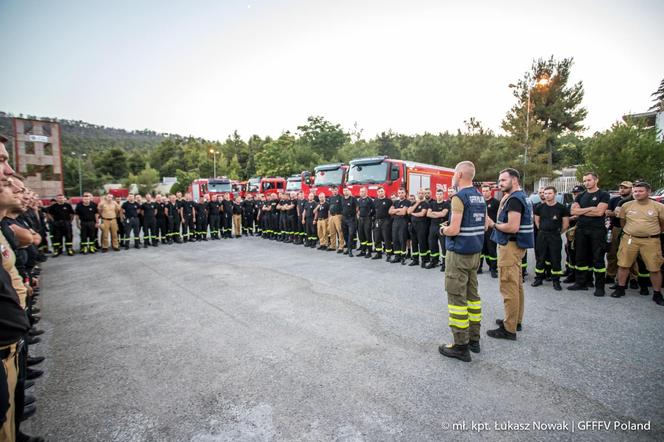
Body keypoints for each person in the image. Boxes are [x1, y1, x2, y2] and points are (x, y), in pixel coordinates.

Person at [438, 161, 485, 362]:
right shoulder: (479, 196)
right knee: (473, 297)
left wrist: (443, 229)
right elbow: (483, 226)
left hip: (459, 254)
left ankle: (460, 345)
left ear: (459, 174)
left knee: (457, 299)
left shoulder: (459, 197)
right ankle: (474, 340)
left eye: (453, 174)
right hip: (475, 252)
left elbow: (454, 229)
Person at [487, 168, 534, 340]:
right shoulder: (521, 197)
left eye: (503, 180)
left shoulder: (514, 199)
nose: (500, 183)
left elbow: (512, 227)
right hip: (517, 246)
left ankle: (509, 329)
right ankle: (515, 321)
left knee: (508, 287)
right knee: (517, 286)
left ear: (515, 180)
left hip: (510, 246)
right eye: (499, 180)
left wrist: (493, 224)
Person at [611, 182, 664, 304]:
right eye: (635, 191)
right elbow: (623, 222)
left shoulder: (659, 206)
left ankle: (657, 293)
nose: (637, 193)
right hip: (630, 239)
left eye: (640, 191)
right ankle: (620, 288)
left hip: (651, 240)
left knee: (654, 268)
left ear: (648, 192)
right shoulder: (626, 205)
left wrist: (651, 232)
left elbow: (662, 223)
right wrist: (632, 232)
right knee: (623, 265)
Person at [568, 172, 610, 296]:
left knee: (598, 258)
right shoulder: (580, 196)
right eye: (584, 181)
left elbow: (599, 212)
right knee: (580, 257)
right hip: (581, 229)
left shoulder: (603, 194)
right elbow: (573, 211)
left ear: (596, 180)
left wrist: (582, 211)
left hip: (597, 230)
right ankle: (580, 282)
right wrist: (591, 208)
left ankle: (599, 286)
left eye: (589, 180)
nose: (586, 183)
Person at [532, 186, 570, 290]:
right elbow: (537, 222)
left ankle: (556, 281)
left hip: (555, 236)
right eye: (545, 193)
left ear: (555, 194)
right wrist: (543, 230)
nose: (547, 195)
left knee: (555, 258)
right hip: (542, 235)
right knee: (540, 257)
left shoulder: (562, 208)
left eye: (549, 193)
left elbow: (566, 224)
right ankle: (538, 278)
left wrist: (557, 233)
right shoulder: (539, 207)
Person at [605, 182, 633, 285]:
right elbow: (608, 212)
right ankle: (610, 275)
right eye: (620, 187)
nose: (622, 189)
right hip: (615, 228)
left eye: (625, 188)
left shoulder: (634, 200)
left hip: (630, 229)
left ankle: (633, 278)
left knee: (630, 255)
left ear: (631, 189)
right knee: (611, 253)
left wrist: (618, 213)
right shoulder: (614, 200)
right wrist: (618, 214)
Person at [562, 185, 584, 282]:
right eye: (574, 193)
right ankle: (570, 272)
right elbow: (566, 218)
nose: (576, 195)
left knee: (581, 254)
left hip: (583, 232)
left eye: (578, 193)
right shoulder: (570, 205)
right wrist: (572, 218)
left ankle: (582, 277)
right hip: (571, 232)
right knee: (569, 251)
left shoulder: (585, 204)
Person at [426, 187, 450, 271]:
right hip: (433, 227)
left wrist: (434, 213)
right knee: (432, 245)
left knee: (443, 246)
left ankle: (445, 264)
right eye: (437, 194)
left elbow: (443, 214)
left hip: (441, 227)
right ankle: (434, 261)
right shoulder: (432, 204)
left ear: (443, 195)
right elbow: (428, 214)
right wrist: (437, 214)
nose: (439, 196)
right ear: (435, 195)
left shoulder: (446, 204)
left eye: (440, 194)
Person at [478, 185, 499, 278]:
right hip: (481, 230)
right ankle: (479, 268)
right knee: (481, 250)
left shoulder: (495, 202)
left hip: (491, 230)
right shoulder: (479, 202)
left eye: (486, 191)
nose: (484, 192)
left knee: (492, 250)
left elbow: (499, 216)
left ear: (491, 191)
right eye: (483, 191)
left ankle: (493, 269)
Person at [407, 189, 430, 268]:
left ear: (424, 194)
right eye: (419, 193)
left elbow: (422, 214)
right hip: (413, 226)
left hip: (421, 226)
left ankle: (424, 260)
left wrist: (413, 213)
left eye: (422, 193)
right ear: (417, 194)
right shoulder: (413, 203)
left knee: (422, 243)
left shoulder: (425, 203)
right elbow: (408, 211)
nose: (420, 194)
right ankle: (415, 260)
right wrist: (417, 203)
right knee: (414, 243)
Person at [389, 188, 411, 264]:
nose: (400, 194)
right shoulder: (395, 202)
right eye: (399, 193)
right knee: (395, 239)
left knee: (402, 239)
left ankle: (403, 257)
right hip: (395, 222)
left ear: (405, 194)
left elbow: (403, 212)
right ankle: (397, 256)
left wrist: (395, 211)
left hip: (403, 222)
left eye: (402, 192)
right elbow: (390, 211)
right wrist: (398, 210)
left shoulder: (407, 202)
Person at [371, 187, 392, 261]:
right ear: (377, 193)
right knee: (377, 238)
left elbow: (391, 212)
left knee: (386, 238)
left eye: (382, 191)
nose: (381, 192)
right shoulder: (375, 201)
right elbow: (373, 211)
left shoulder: (388, 201)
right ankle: (378, 253)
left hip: (386, 221)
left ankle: (388, 254)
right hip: (377, 221)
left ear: (384, 192)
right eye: (379, 191)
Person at [356, 187, 374, 258]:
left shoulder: (370, 200)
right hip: (360, 219)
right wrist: (358, 214)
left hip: (367, 219)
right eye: (360, 191)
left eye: (363, 191)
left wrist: (370, 216)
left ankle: (369, 251)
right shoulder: (359, 200)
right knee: (361, 235)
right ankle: (363, 250)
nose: (361, 193)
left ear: (366, 192)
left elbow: (373, 209)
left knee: (368, 235)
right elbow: (358, 209)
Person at [341, 187, 358, 257]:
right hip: (344, 219)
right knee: (345, 234)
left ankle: (350, 250)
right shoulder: (342, 199)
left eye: (346, 190)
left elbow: (357, 207)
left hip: (351, 219)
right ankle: (348, 248)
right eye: (344, 190)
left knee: (351, 234)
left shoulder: (353, 199)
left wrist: (355, 213)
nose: (345, 191)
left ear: (349, 191)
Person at [327, 186, 344, 253]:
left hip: (338, 216)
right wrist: (329, 218)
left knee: (340, 231)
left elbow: (343, 207)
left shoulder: (340, 197)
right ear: (332, 191)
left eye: (336, 190)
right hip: (331, 216)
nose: (334, 191)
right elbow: (329, 209)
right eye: (333, 190)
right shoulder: (330, 198)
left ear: (337, 190)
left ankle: (341, 246)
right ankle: (333, 246)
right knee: (332, 232)